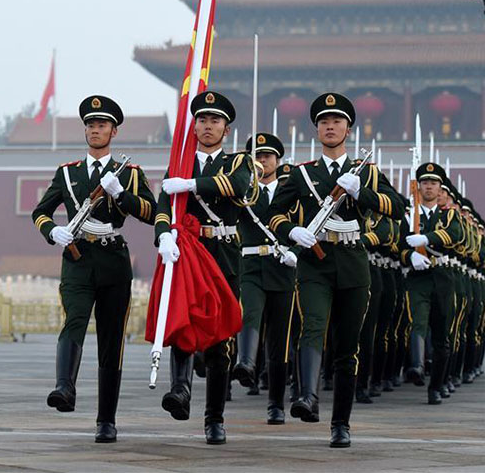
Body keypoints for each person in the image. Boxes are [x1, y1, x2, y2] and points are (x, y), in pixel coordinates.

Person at [267, 92, 404, 448]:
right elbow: (274, 213)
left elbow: (399, 207)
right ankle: (307, 396)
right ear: (316, 130)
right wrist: (290, 230)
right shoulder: (302, 174)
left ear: (348, 128)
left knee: (347, 345)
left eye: (337, 121)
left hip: (353, 261)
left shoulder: (365, 173)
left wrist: (364, 195)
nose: (330, 126)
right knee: (312, 327)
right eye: (324, 122)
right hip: (315, 261)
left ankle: (340, 423)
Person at [32, 95, 156, 443]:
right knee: (73, 319)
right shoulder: (67, 173)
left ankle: (106, 420)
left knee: (111, 339)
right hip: (77, 258)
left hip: (113, 259)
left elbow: (153, 212)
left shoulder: (128, 174)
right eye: (90, 125)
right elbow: (40, 212)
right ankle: (64, 388)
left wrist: (122, 195)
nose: (95, 130)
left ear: (113, 131)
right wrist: (51, 230)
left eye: (101, 125)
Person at [154, 91, 253, 445]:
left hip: (223, 253)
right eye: (202, 120)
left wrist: (193, 184)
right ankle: (179, 391)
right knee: (183, 322)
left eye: (215, 121)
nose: (207, 126)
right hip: (187, 252)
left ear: (226, 130)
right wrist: (163, 235)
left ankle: (215, 418)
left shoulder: (238, 162)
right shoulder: (179, 164)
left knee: (218, 338)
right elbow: (164, 203)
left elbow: (239, 187)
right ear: (193, 126)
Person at [232, 133, 298, 425]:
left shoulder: (290, 193)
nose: (262, 161)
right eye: (257, 156)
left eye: (267, 156)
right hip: (251, 265)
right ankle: (245, 362)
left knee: (279, 342)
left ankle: (276, 404)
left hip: (283, 269)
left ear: (277, 160)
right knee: (249, 313)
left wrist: (294, 250)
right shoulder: (243, 192)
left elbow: (303, 225)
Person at [401, 162, 463, 405]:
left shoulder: (449, 215)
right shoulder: (409, 216)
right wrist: (410, 255)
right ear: (418, 187)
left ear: (440, 189)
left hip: (443, 277)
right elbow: (397, 245)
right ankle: (416, 365)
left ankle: (436, 385)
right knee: (417, 321)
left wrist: (426, 238)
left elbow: (454, 236)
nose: (429, 186)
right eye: (425, 182)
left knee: (441, 335)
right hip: (417, 278)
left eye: (433, 183)